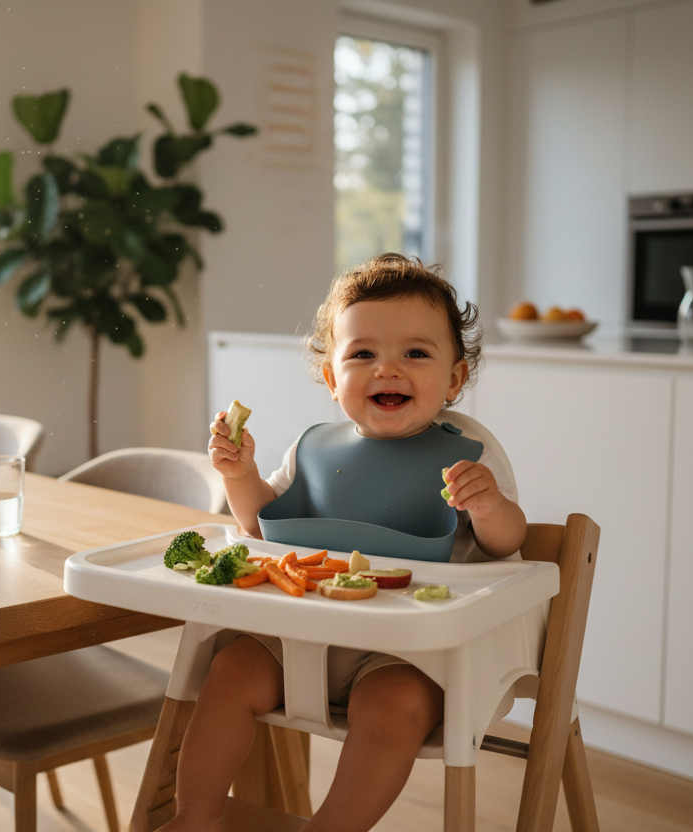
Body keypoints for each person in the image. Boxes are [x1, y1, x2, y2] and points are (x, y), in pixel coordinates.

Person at [164, 253, 526, 832]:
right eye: (362, 354)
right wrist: (239, 474)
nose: (388, 370)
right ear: (333, 380)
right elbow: (261, 526)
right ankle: (195, 818)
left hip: (405, 654)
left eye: (415, 353)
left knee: (395, 707)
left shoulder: (469, 456)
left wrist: (489, 507)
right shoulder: (312, 449)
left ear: (455, 379)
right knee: (229, 670)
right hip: (300, 636)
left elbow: (506, 546)